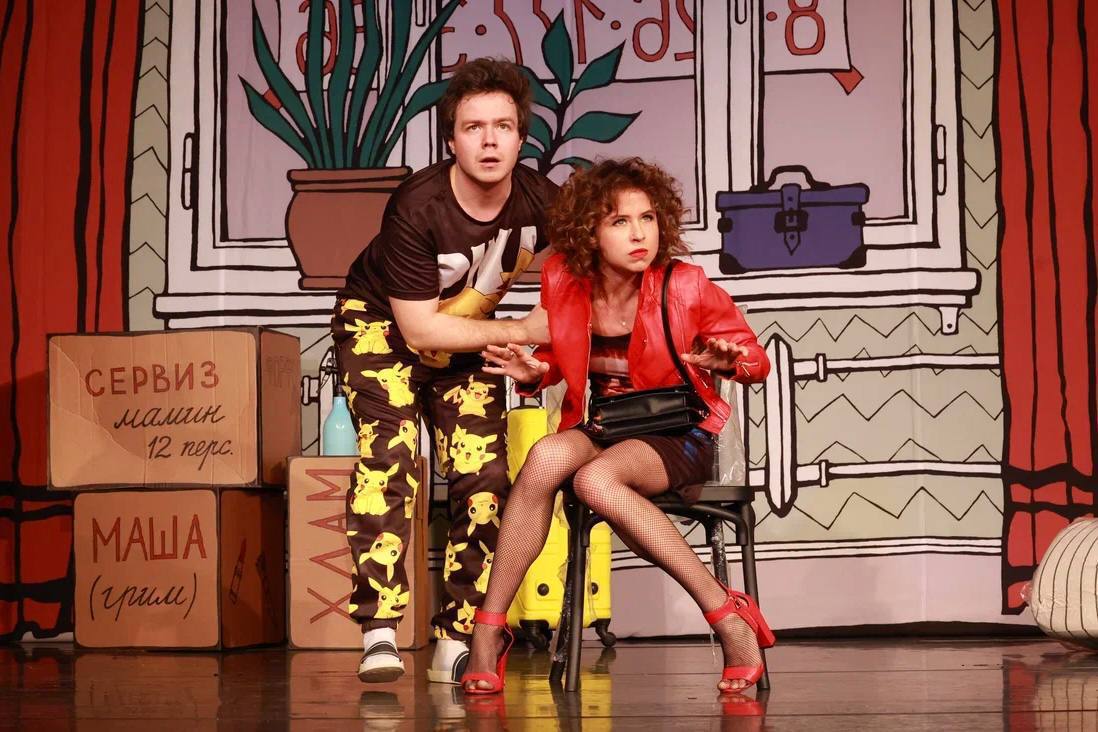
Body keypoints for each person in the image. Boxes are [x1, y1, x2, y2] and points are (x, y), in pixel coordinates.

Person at [460, 158, 774, 695]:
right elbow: (557, 356)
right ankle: (488, 631)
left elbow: (756, 360)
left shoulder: (686, 284)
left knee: (594, 481)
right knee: (545, 457)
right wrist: (535, 372)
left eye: (647, 218)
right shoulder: (564, 280)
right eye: (620, 221)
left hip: (678, 433)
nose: (639, 234)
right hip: (607, 423)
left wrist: (731, 362)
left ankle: (726, 615)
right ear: (590, 232)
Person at [331, 57, 558, 685]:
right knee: (392, 455)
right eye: (473, 127)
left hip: (465, 334)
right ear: (451, 140)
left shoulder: (543, 199)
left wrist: (546, 345)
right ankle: (379, 630)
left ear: (521, 137)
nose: (489, 141)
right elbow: (421, 331)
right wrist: (522, 330)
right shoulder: (418, 205)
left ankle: (455, 639)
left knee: (485, 478)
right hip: (383, 326)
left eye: (503, 127)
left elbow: (593, 268)